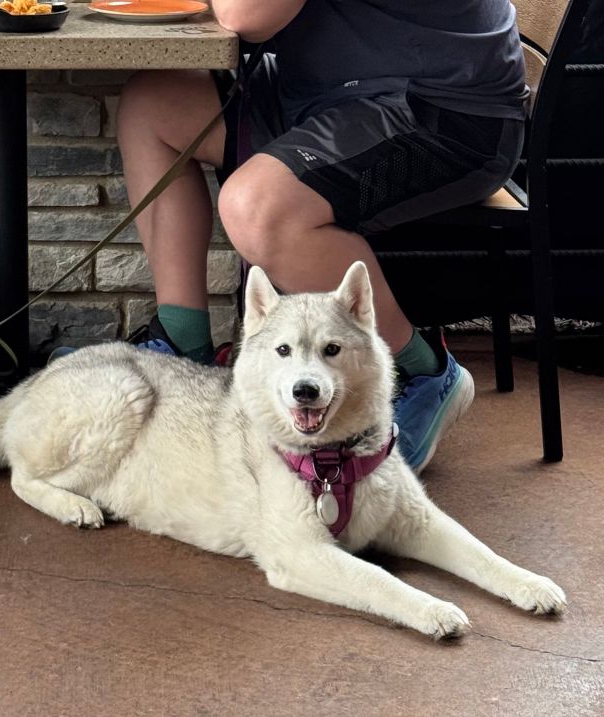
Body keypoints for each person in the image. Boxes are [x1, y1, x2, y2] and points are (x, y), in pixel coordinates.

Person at [114, 0, 527, 472]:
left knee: (258, 210)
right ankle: (183, 354)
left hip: (440, 108)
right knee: (154, 104)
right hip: (323, 92)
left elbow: (245, 15)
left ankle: (421, 372)